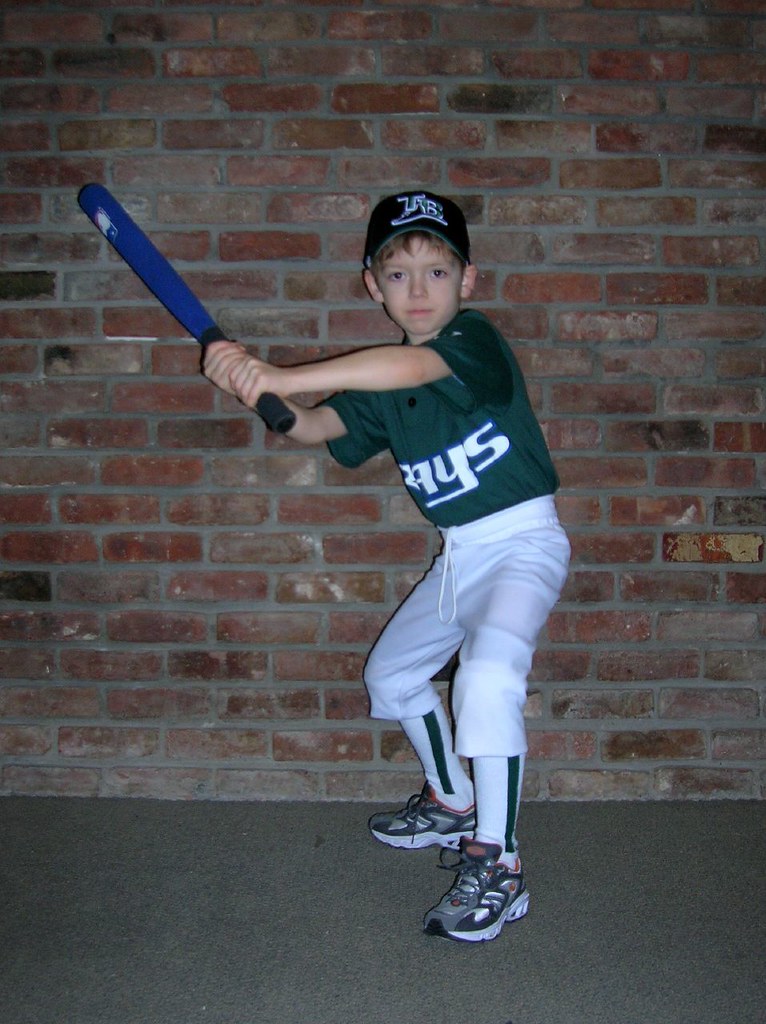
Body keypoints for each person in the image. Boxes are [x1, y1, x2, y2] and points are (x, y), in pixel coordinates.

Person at [203, 191, 570, 943]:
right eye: (399, 275)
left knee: (489, 677)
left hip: (524, 543)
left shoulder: (472, 343)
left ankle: (499, 863)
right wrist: (255, 391)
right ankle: (453, 799)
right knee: (392, 677)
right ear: (374, 285)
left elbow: (404, 367)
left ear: (468, 279)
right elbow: (316, 427)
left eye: (438, 271)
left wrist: (282, 372)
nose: (421, 290)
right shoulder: (383, 387)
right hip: (462, 557)